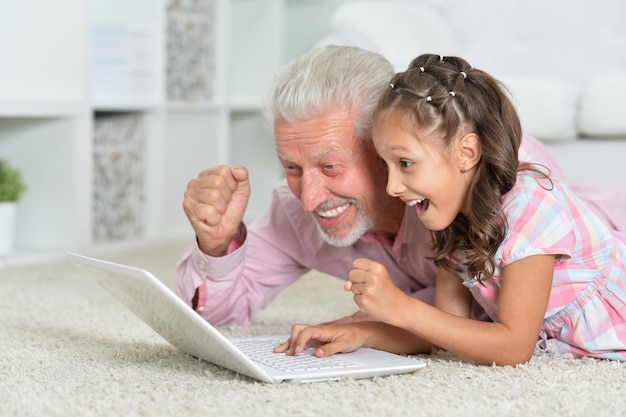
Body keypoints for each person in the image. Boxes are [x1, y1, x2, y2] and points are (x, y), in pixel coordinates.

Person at [175, 45, 626, 328]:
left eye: (331, 166)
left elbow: (511, 324)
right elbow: (219, 320)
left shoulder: (497, 174)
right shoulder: (294, 209)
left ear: (387, 147)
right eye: (291, 168)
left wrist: (386, 316)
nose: (309, 196)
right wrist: (215, 246)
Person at [274, 53, 626, 366]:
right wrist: (365, 334)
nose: (392, 187)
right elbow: (445, 327)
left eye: (405, 163)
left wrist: (401, 307)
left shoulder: (528, 211)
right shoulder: (449, 216)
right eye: (386, 164)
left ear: (466, 154)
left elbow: (514, 346)